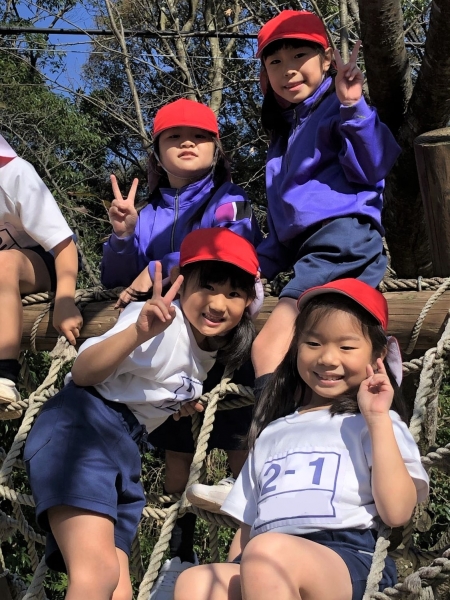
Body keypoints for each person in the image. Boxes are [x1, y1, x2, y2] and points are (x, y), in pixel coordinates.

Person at [24, 227, 260, 600]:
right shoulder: (158, 320)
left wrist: (175, 403)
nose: (218, 304)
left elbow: (148, 384)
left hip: (124, 448)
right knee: (96, 575)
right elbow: (83, 373)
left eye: (234, 294)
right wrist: (138, 332)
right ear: (181, 283)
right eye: (208, 287)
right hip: (82, 429)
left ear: (248, 301)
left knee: (118, 589)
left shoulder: (207, 349)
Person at [174, 278, 429, 600]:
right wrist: (238, 568)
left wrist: (377, 417)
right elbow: (250, 524)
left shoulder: (375, 422)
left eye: (346, 347)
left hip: (347, 556)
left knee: (267, 554)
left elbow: (397, 513)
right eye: (313, 343)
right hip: (265, 556)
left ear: (377, 355)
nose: (327, 358)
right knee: (197, 581)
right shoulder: (273, 432)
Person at [251, 10, 401, 397]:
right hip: (309, 249)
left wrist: (353, 107)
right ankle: (374, 369)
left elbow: (373, 165)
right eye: (275, 62)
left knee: (270, 347)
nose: (288, 69)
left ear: (327, 59)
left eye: (300, 55)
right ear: (265, 75)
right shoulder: (282, 138)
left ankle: (266, 424)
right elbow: (284, 229)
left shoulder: (337, 109)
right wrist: (251, 267)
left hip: (341, 239)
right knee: (315, 347)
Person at [101, 97, 261, 305]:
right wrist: (123, 237)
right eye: (174, 136)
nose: (187, 143)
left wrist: (156, 269)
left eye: (199, 136)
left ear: (215, 150)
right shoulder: (147, 214)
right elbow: (115, 282)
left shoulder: (230, 199)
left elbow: (231, 253)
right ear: (157, 155)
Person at [0, 135, 83, 419]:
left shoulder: (14, 174)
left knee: (4, 264)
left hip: (46, 263)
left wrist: (65, 300)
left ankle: (4, 375)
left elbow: (64, 246)